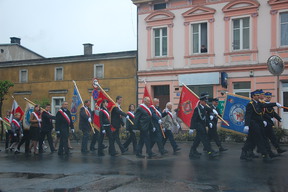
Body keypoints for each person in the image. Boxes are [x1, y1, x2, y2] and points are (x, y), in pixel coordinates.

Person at [240, 90, 282, 162]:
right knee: (260, 139)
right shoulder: (250, 104)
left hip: (259, 124)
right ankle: (264, 155)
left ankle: (243, 154)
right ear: (253, 96)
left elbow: (266, 105)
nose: (258, 96)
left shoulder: (258, 103)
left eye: (258, 95)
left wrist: (275, 104)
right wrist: (246, 125)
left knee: (251, 140)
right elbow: (248, 115)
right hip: (253, 125)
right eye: (257, 95)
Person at [189, 93, 218, 159]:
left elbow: (208, 111)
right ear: (201, 101)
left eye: (206, 101)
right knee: (205, 140)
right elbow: (193, 118)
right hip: (199, 126)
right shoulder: (197, 109)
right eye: (205, 101)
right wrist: (191, 128)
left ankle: (192, 151)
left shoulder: (204, 107)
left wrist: (213, 111)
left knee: (197, 140)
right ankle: (210, 152)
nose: (206, 102)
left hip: (202, 126)